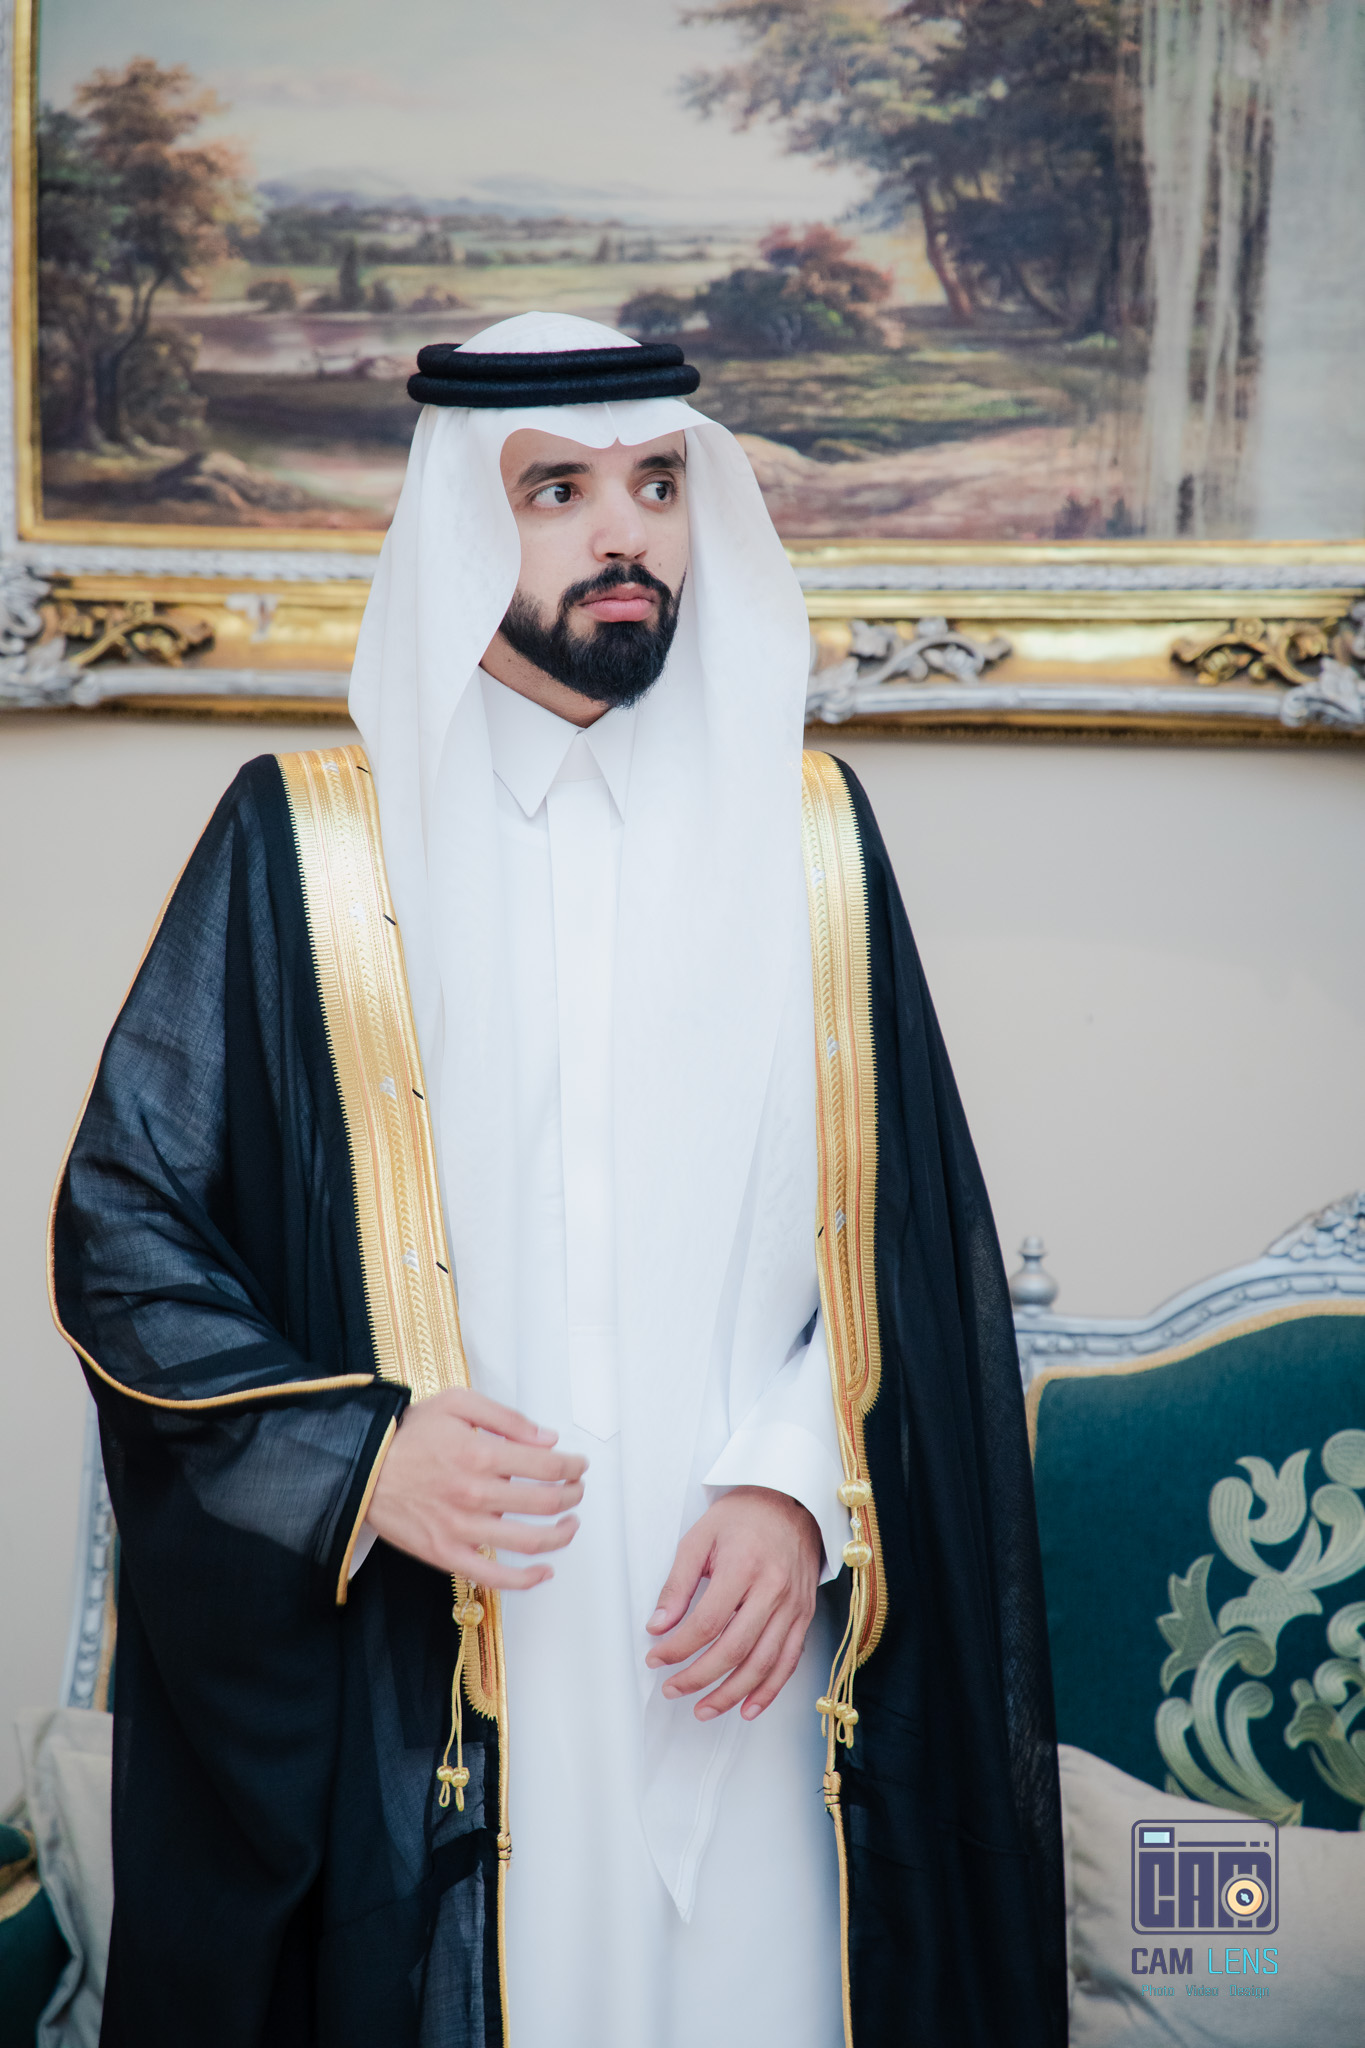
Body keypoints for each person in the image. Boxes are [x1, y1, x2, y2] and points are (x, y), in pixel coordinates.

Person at [50, 313, 1066, 2048]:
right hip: (443, 1646)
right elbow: (125, 1229)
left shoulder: (811, 839)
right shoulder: (310, 844)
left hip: (741, 1650)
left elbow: (901, 1241)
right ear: (463, 522)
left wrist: (795, 1487)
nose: (624, 533)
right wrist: (360, 1457)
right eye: (559, 492)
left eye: (658, 485)